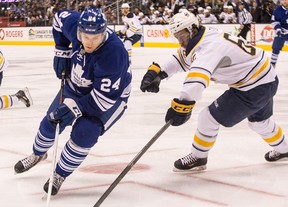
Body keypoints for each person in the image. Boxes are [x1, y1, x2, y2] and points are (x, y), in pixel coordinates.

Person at [140, 9, 288, 172]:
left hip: (254, 86)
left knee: (207, 118)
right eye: (177, 38)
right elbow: (182, 58)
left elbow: (197, 79)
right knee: (260, 123)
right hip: (265, 78)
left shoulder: (209, 47)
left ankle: (198, 156)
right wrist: (160, 73)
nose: (180, 43)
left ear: (192, 29)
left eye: (181, 37)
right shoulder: (204, 35)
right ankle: (284, 149)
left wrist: (183, 104)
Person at [14, 7, 131, 195]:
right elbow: (59, 18)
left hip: (109, 99)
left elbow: (103, 100)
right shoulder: (75, 25)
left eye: (95, 38)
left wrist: (73, 108)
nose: (89, 42)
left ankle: (60, 173)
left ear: (104, 33)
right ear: (79, 31)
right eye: (85, 37)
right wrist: (61, 50)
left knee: (85, 133)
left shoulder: (114, 54)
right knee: (50, 122)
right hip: (76, 85)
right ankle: (38, 154)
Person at [270, 0, 288, 67]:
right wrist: (278, 29)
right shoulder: (277, 11)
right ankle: (272, 63)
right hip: (282, 31)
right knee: (276, 47)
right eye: (283, 0)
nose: (284, 1)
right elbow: (274, 21)